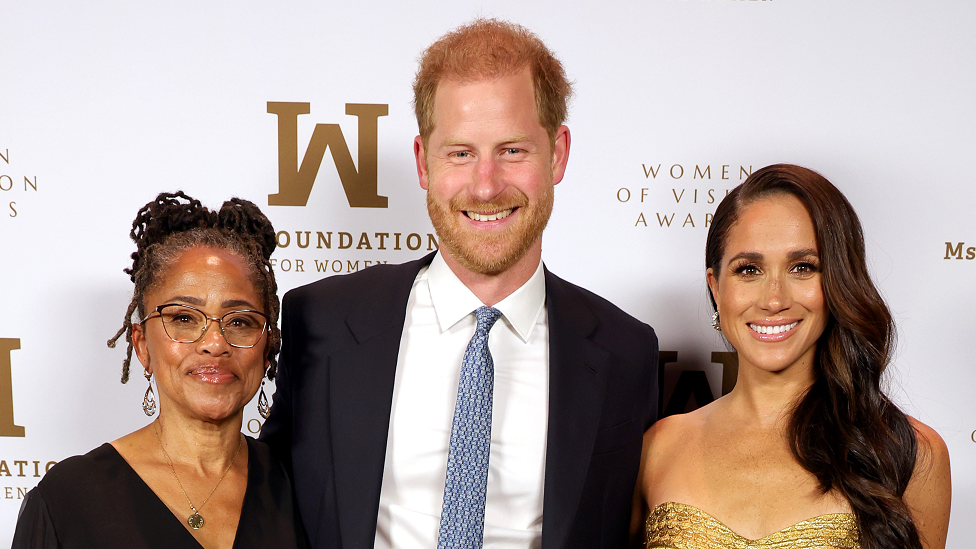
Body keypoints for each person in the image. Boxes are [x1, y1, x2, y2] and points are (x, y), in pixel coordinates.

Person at [259, 18, 659, 549]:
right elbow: (263, 505)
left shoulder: (624, 352)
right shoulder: (324, 322)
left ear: (557, 154)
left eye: (513, 150)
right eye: (461, 153)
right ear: (424, 161)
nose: (486, 185)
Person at [631, 164, 951, 549]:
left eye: (802, 268)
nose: (774, 300)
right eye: (749, 269)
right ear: (716, 287)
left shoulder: (910, 454)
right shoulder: (657, 448)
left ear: (837, 281)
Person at [12, 192, 306, 549]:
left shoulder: (305, 492)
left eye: (240, 321)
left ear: (267, 348)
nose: (215, 343)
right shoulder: (67, 501)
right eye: (183, 318)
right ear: (141, 346)